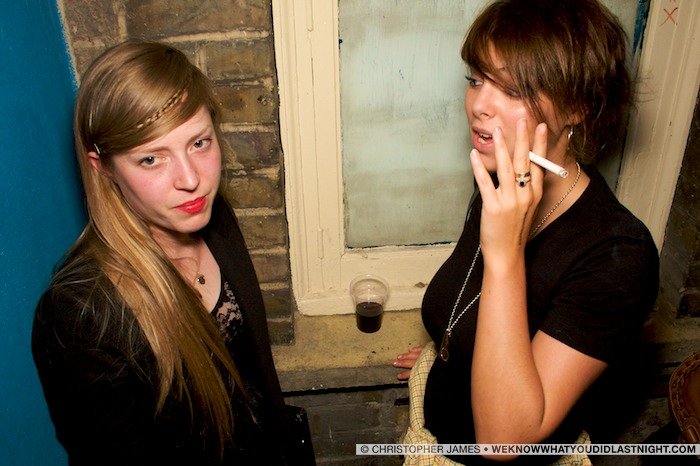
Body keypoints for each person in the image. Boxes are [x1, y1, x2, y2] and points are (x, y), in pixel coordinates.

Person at [393, 0, 659, 464]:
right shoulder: (504, 180)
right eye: (476, 80)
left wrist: (505, 253)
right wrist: (455, 349)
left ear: (577, 106)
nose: (479, 105)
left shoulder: (618, 255)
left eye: (513, 89)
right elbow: (482, 309)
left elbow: (504, 441)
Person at [32, 41, 313, 465]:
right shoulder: (81, 317)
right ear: (102, 166)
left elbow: (258, 376)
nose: (191, 179)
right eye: (151, 159)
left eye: (199, 143)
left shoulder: (213, 219)